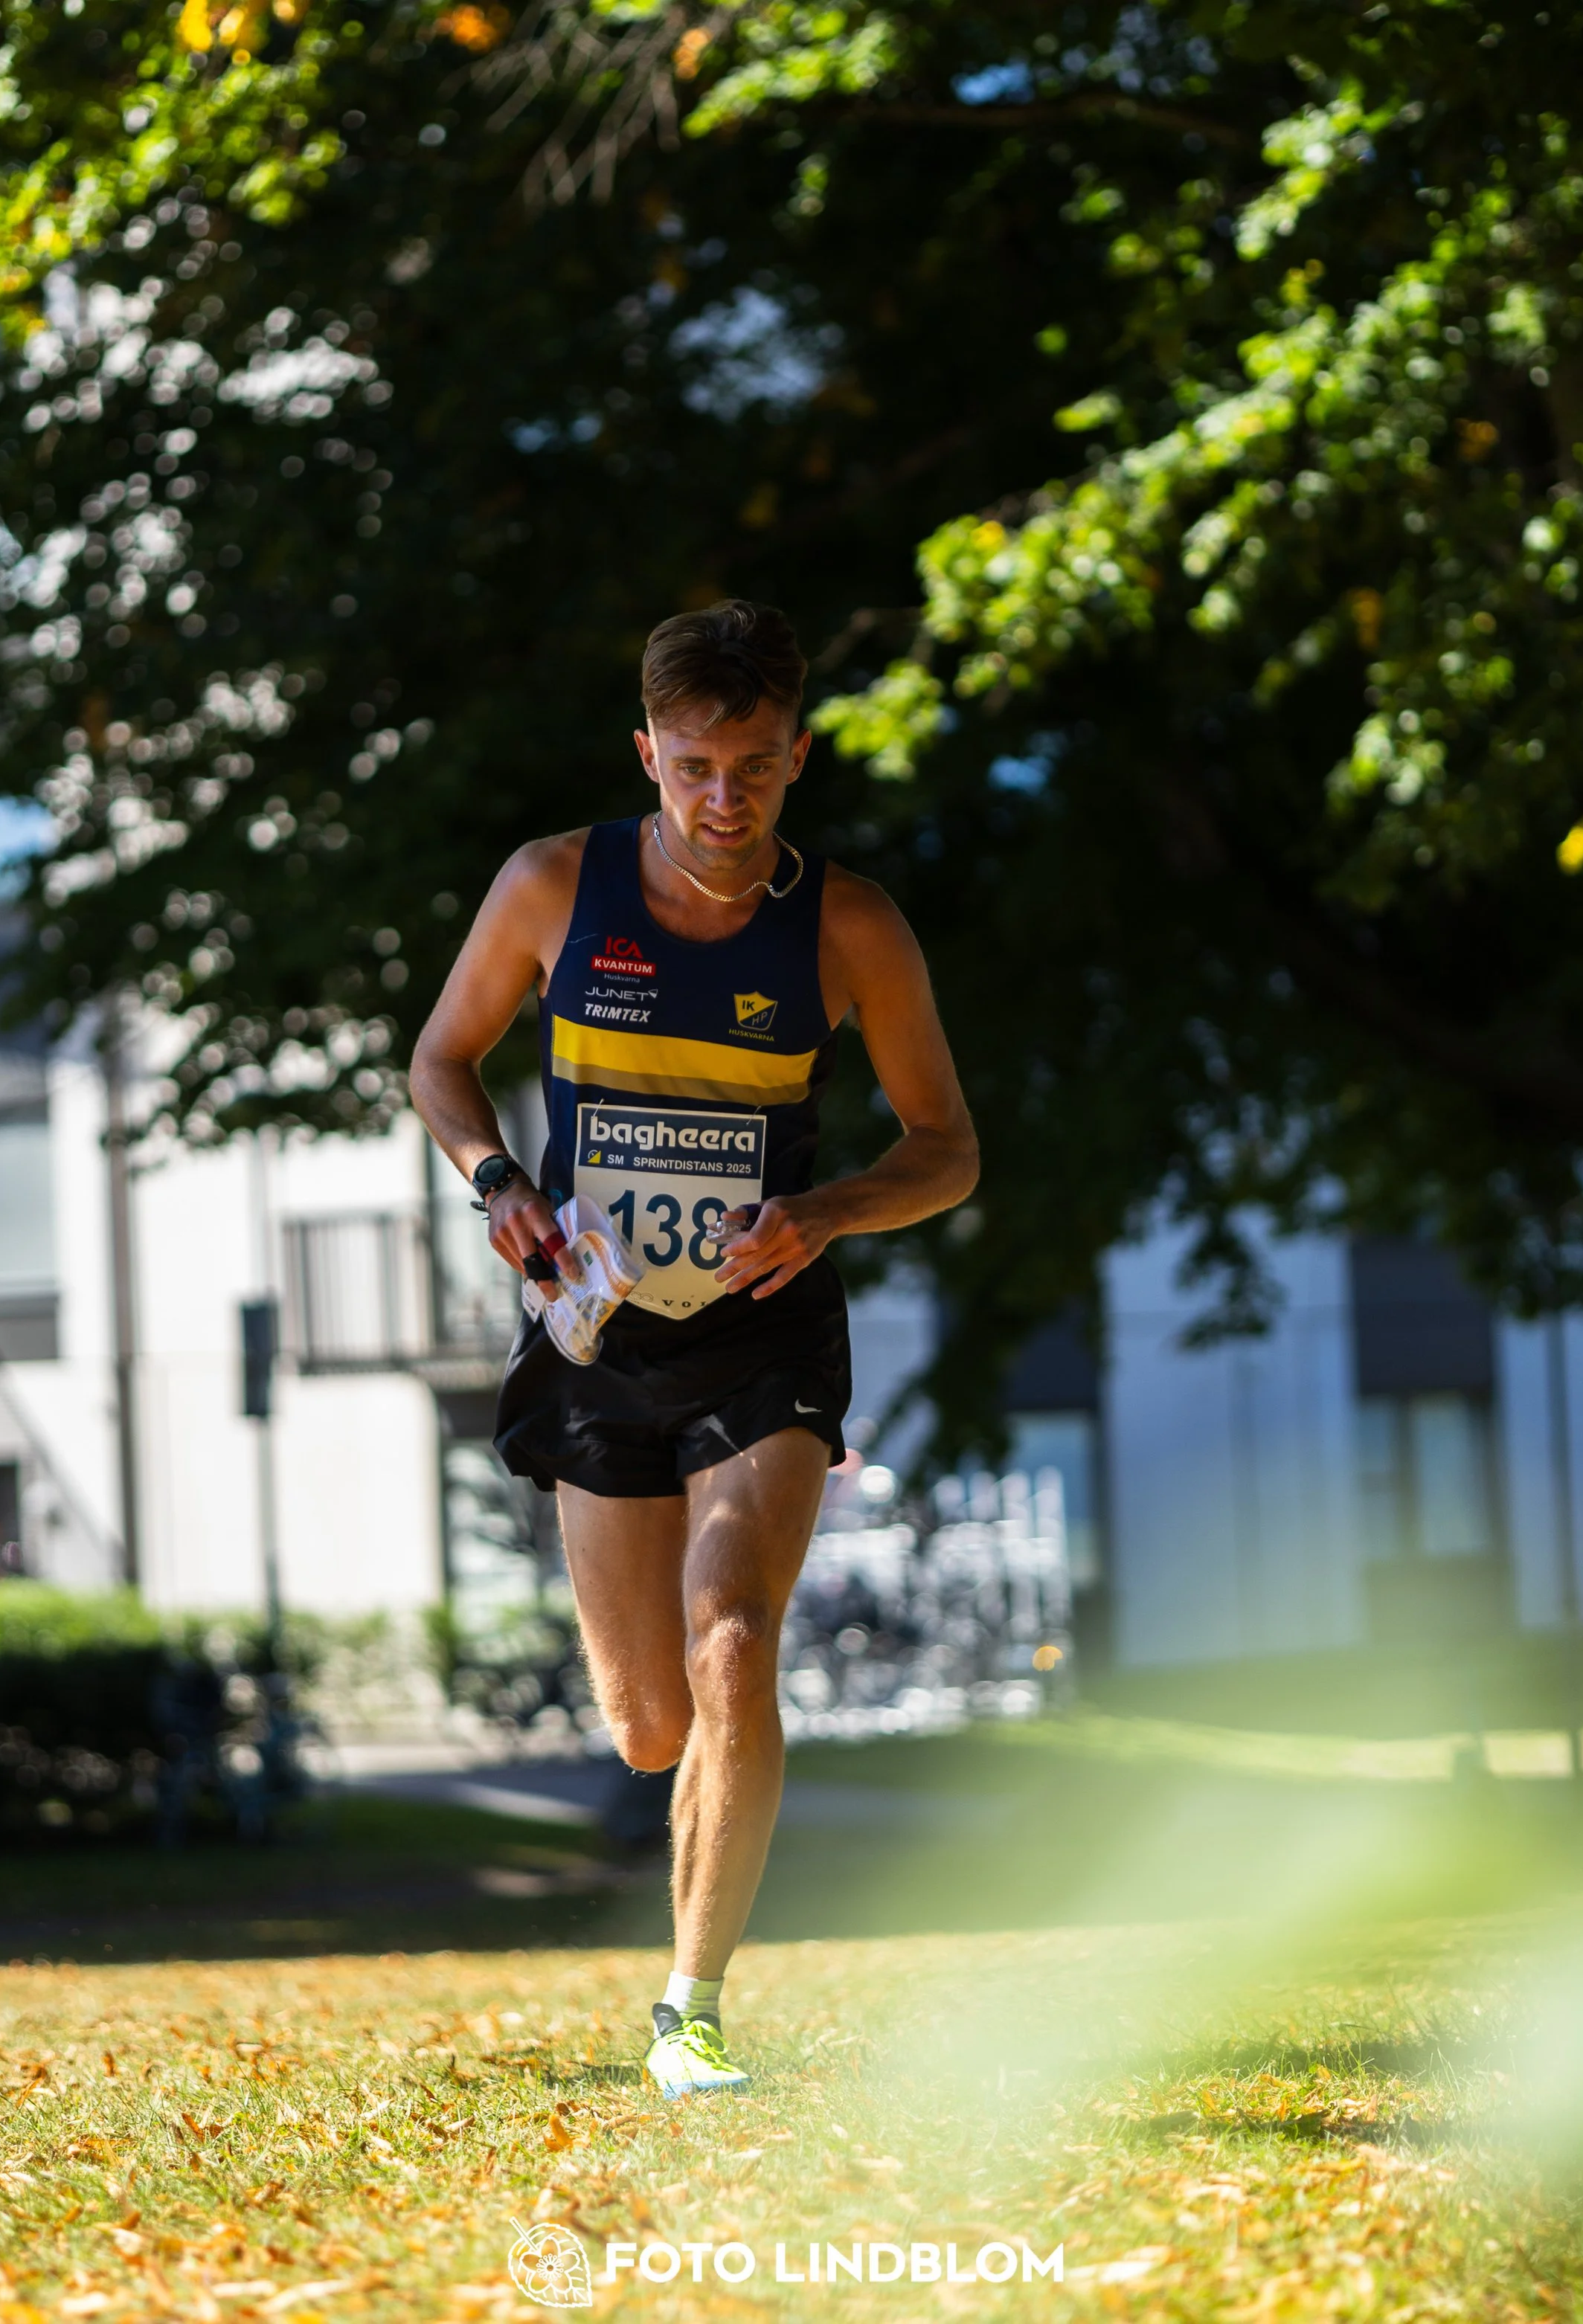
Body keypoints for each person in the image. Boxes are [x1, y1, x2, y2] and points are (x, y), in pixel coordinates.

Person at [410, 599, 978, 2096]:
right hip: (596, 1328)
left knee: (734, 1638)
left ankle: (691, 2008)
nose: (724, 800)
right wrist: (496, 1179)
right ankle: (683, 1914)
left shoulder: (848, 926)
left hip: (762, 1328)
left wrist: (829, 1210)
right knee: (653, 1725)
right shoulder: (553, 886)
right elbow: (440, 1058)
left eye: (755, 767)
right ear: (647, 752)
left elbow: (946, 1148)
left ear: (797, 757)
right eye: (694, 767)